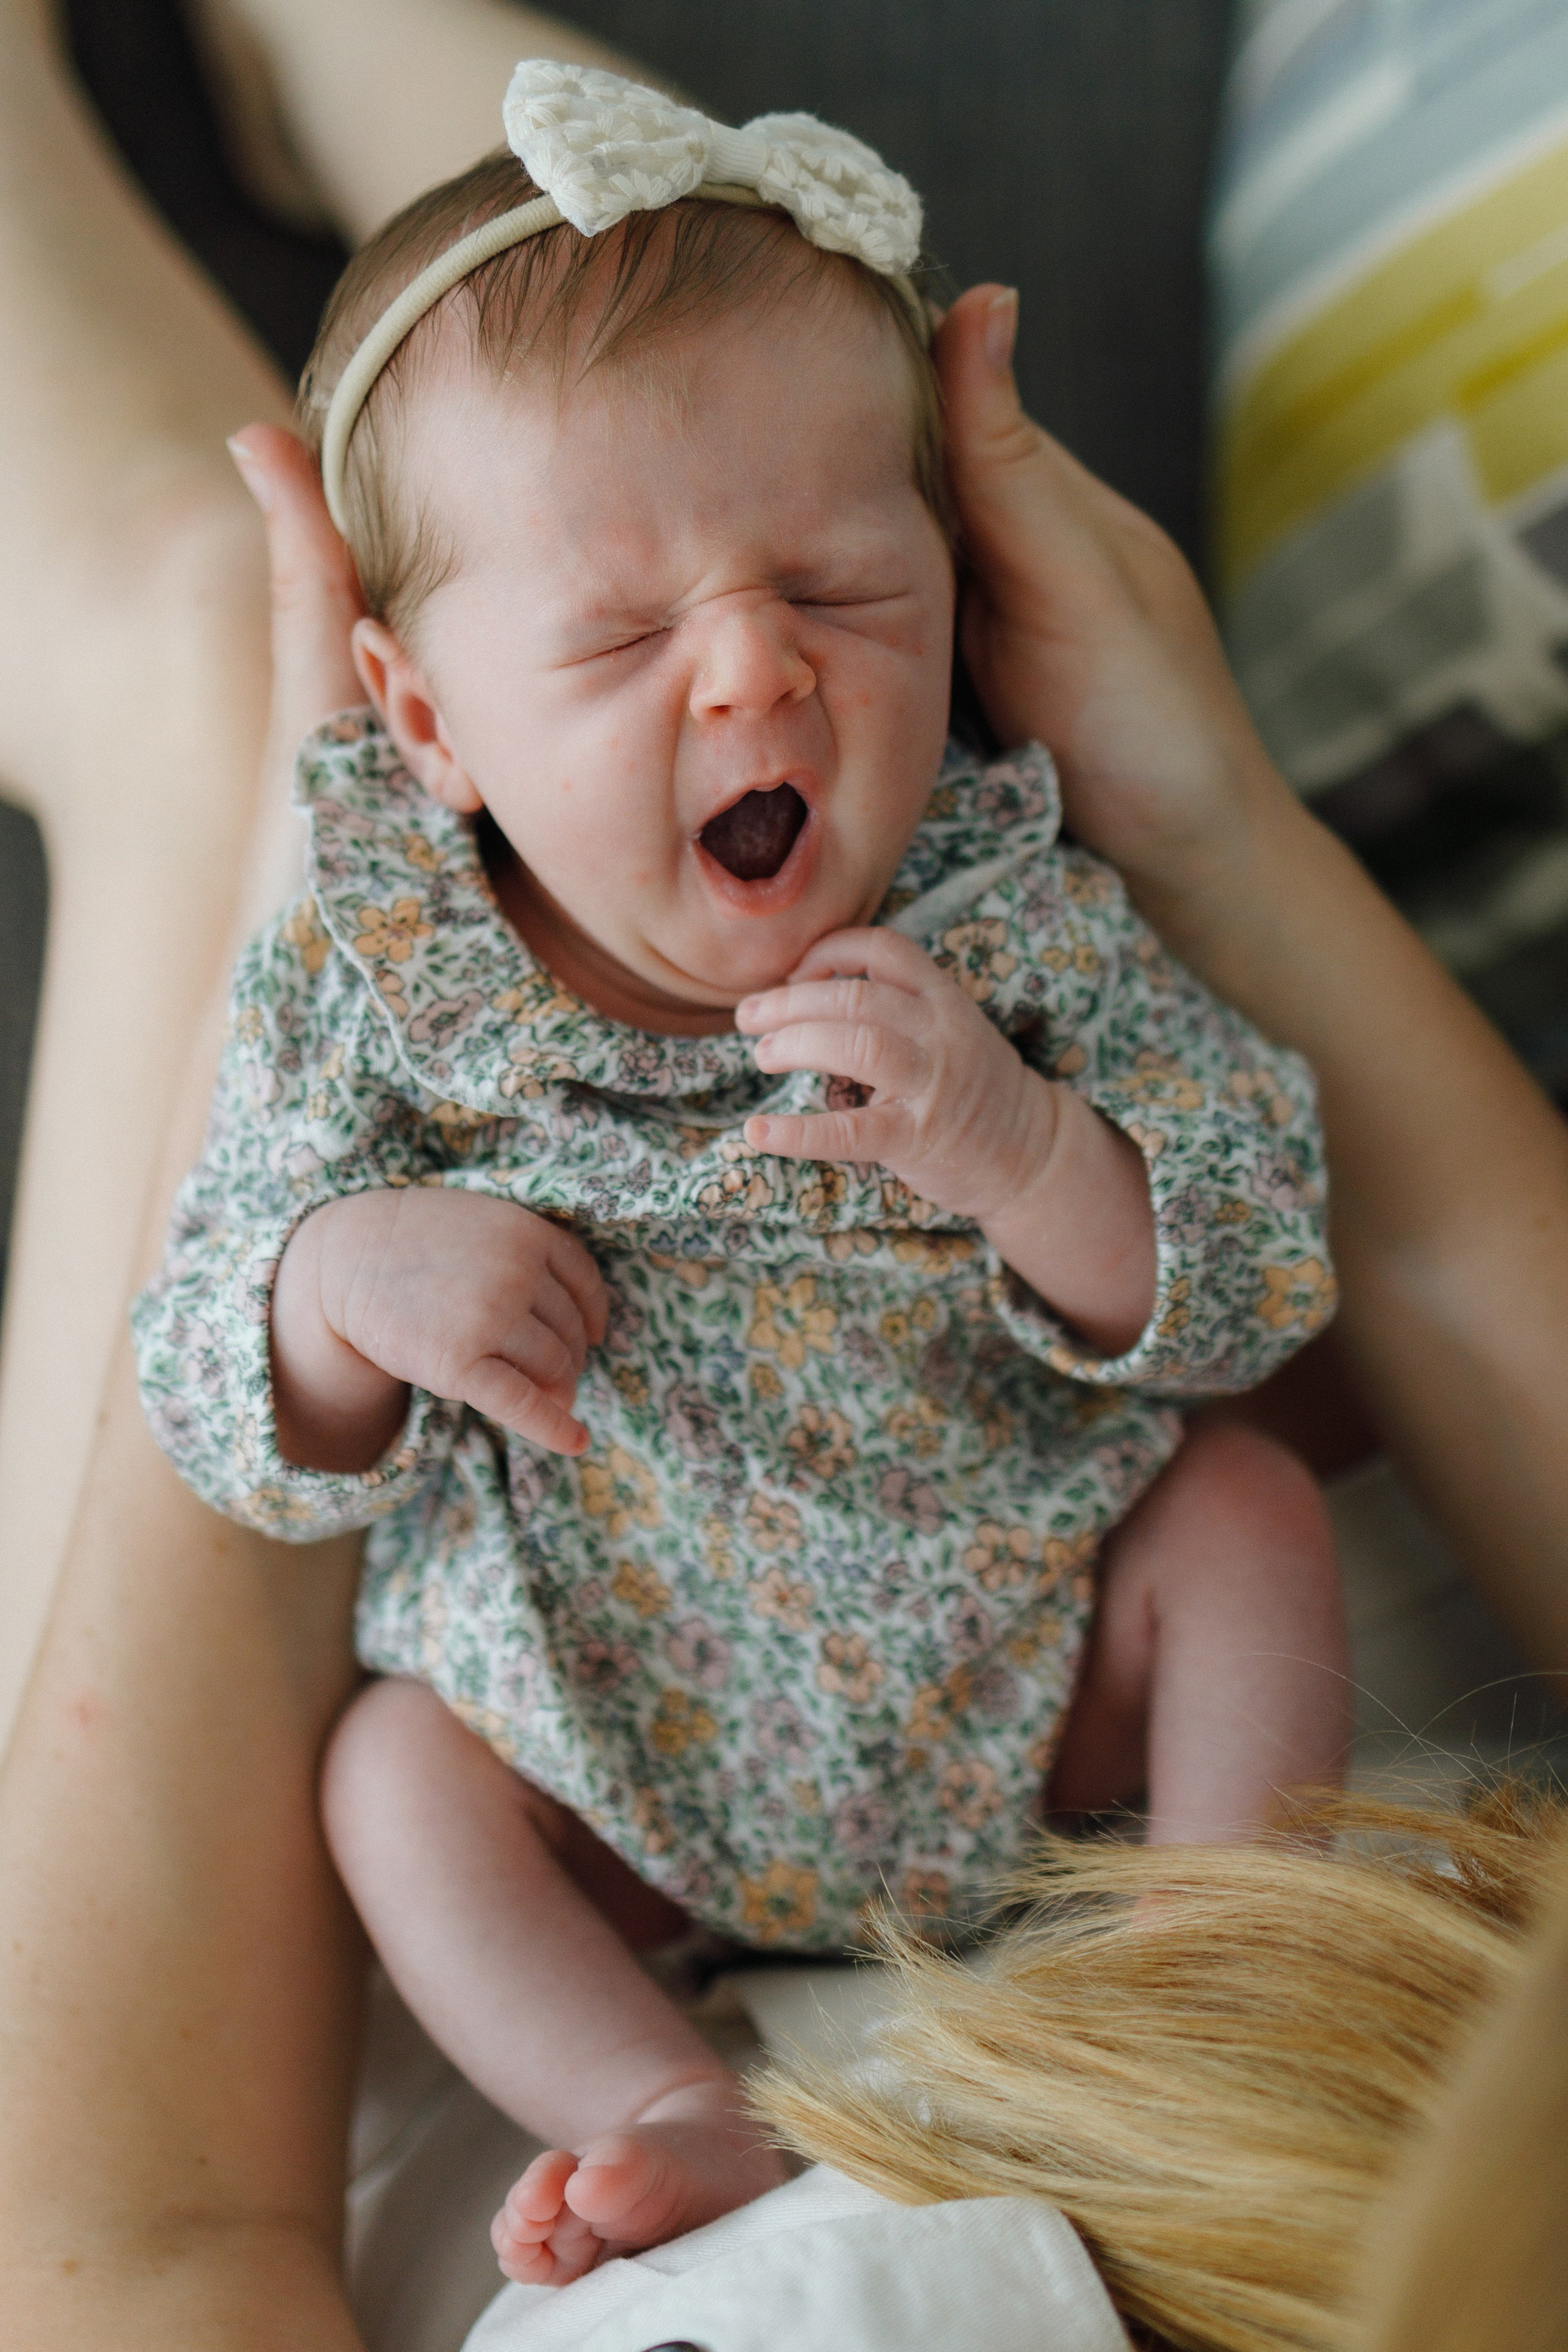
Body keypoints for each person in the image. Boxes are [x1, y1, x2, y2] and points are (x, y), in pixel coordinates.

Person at [1, 1, 1566, 2343]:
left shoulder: (1001, 913)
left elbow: (1247, 1263)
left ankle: (1204, 1953)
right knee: (400, 1775)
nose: (754, 676)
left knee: (1226, 1520)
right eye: (628, 641)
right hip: (603, 1747)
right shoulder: (399, 987)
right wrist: (340, 1288)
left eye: (849, 597)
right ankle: (370, 56)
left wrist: (1028, 1143)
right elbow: (217, 1347)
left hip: (1043, 1690)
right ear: (416, 721)